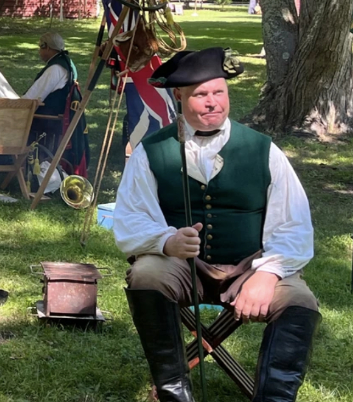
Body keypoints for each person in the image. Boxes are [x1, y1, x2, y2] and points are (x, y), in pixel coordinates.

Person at [113, 47, 318, 402]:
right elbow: (130, 218)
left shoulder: (263, 151)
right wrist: (167, 242)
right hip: (181, 266)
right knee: (146, 276)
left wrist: (266, 275)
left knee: (299, 301)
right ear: (178, 96)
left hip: (251, 267)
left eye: (218, 92)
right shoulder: (150, 151)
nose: (212, 103)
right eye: (200, 95)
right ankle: (175, 393)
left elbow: (294, 226)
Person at [22, 32, 87, 172]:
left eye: (41, 48)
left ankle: (14, 163)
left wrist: (16, 106)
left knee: (12, 117)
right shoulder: (67, 63)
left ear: (47, 48)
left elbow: (34, 97)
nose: (39, 52)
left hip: (48, 118)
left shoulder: (55, 68)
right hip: (57, 115)